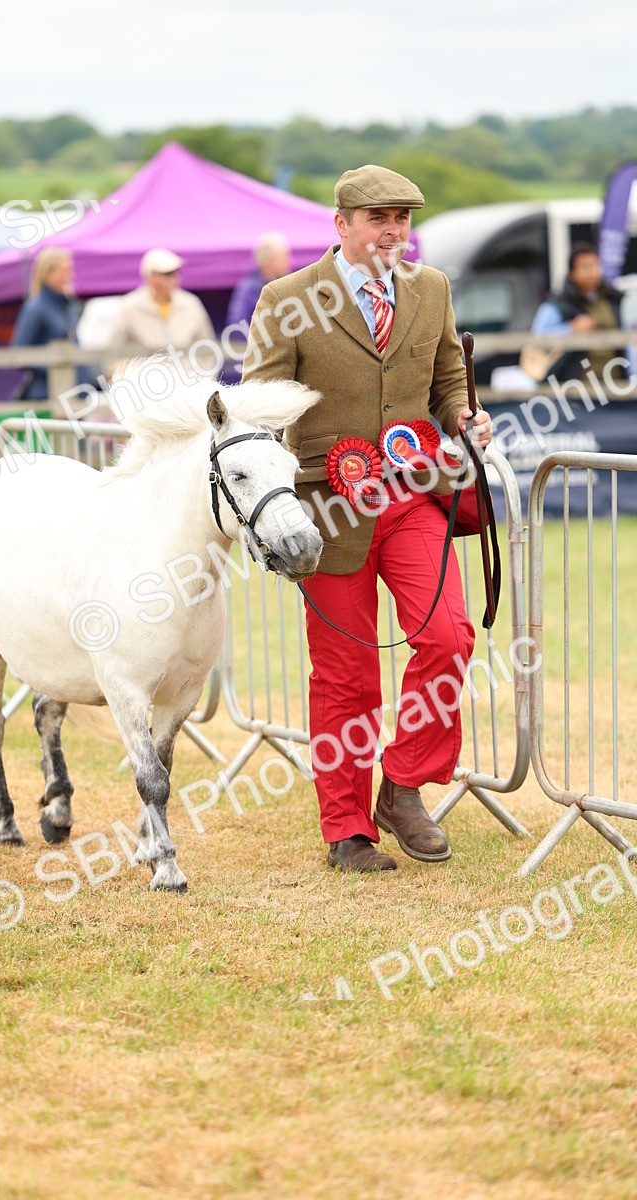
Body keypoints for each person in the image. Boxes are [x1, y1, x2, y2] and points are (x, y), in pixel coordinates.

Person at [242, 164, 493, 875]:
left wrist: (464, 417)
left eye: (402, 220)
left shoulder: (431, 288)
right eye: (378, 218)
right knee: (344, 674)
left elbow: (447, 381)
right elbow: (260, 405)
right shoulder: (287, 299)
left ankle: (404, 785)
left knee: (447, 636)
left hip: (413, 494)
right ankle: (347, 828)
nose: (392, 232)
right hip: (328, 505)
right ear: (342, 225)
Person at [530, 244, 634, 383]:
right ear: (572, 273)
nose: (593, 272)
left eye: (595, 265)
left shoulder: (612, 300)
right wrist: (571, 329)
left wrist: (633, 376)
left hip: (614, 386)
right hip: (575, 390)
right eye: (585, 267)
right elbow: (536, 340)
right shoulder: (558, 305)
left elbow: (628, 343)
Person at [11, 248, 96, 401]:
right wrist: (55, 368)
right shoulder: (35, 309)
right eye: (63, 271)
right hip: (46, 396)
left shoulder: (69, 306)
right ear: (47, 274)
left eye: (69, 270)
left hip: (75, 394)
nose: (69, 276)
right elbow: (19, 353)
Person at [106, 248, 216, 366]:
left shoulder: (191, 304)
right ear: (151, 277)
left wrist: (203, 377)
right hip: (145, 379)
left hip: (187, 379)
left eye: (176, 273)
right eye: (167, 274)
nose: (174, 278)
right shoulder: (130, 306)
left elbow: (207, 346)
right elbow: (115, 352)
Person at [226, 233, 291, 331]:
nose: (289, 261)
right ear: (269, 261)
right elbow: (237, 326)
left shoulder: (288, 286)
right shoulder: (248, 289)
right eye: (284, 257)